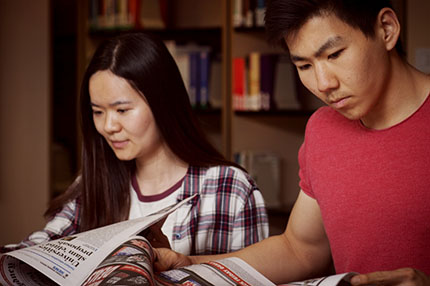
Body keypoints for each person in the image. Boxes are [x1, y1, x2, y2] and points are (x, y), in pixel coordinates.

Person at [154, 0, 430, 285]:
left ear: (386, 29)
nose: (323, 84)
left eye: (334, 54)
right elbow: (300, 250)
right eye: (305, 65)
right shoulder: (323, 129)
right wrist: (191, 264)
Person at [1, 32, 268, 255]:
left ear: (163, 104)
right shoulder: (93, 183)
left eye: (122, 110)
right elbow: (40, 246)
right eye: (97, 111)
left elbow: (252, 276)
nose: (108, 126)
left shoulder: (229, 189)